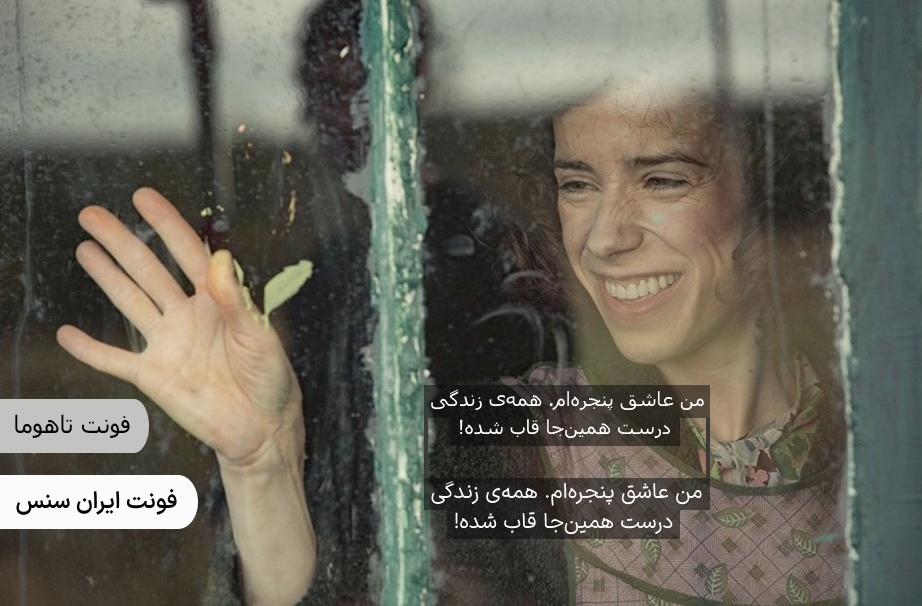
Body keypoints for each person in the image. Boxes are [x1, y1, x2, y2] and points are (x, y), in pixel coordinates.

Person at [58, 79, 844, 604]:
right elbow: (367, 580)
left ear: (758, 191)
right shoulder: (525, 437)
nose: (607, 237)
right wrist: (264, 468)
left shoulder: (875, 446)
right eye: (578, 184)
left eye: (663, 179)